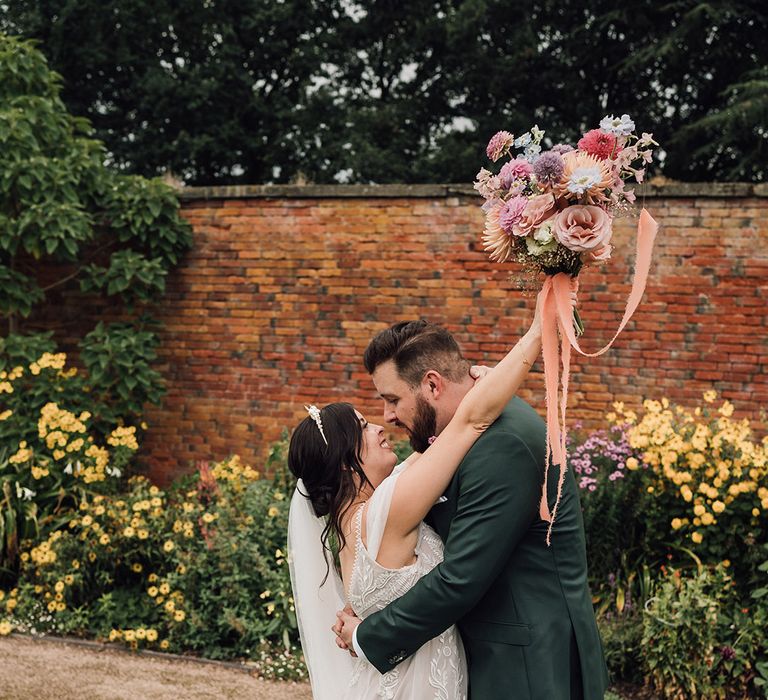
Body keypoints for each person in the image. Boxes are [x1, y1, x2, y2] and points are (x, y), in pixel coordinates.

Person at [332, 299, 609, 698]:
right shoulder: (458, 438)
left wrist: (369, 634)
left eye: (392, 400)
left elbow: (461, 577)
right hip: (492, 656)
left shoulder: (503, 444)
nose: (388, 416)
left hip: (527, 667)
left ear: (432, 384)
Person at [288, 293, 548, 699]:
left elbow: (433, 447)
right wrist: (538, 331)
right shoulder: (388, 507)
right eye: (363, 427)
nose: (381, 425)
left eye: (386, 405)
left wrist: (466, 378)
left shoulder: (349, 523)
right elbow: (470, 421)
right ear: (344, 463)